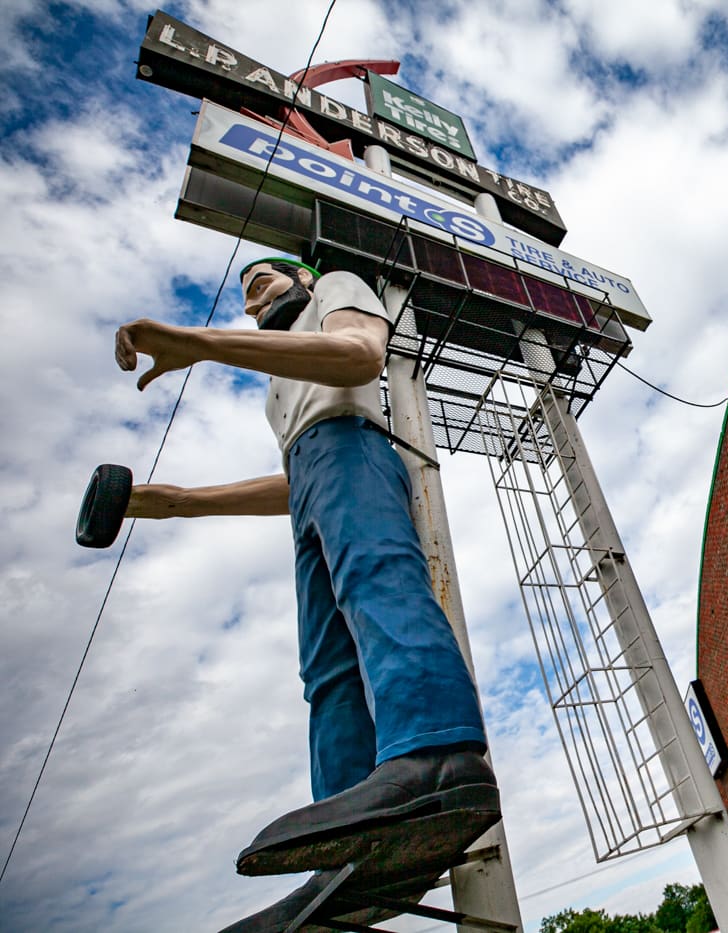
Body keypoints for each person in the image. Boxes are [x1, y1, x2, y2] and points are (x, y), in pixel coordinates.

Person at [114, 259, 500, 931]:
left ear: (301, 274)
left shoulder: (336, 289)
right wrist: (175, 502)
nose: (253, 290)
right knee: (325, 668)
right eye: (244, 290)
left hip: (356, 450)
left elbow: (357, 358)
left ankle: (436, 754)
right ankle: (353, 820)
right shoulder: (278, 385)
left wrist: (200, 344)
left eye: (265, 275)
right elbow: (295, 472)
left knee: (376, 578)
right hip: (311, 480)